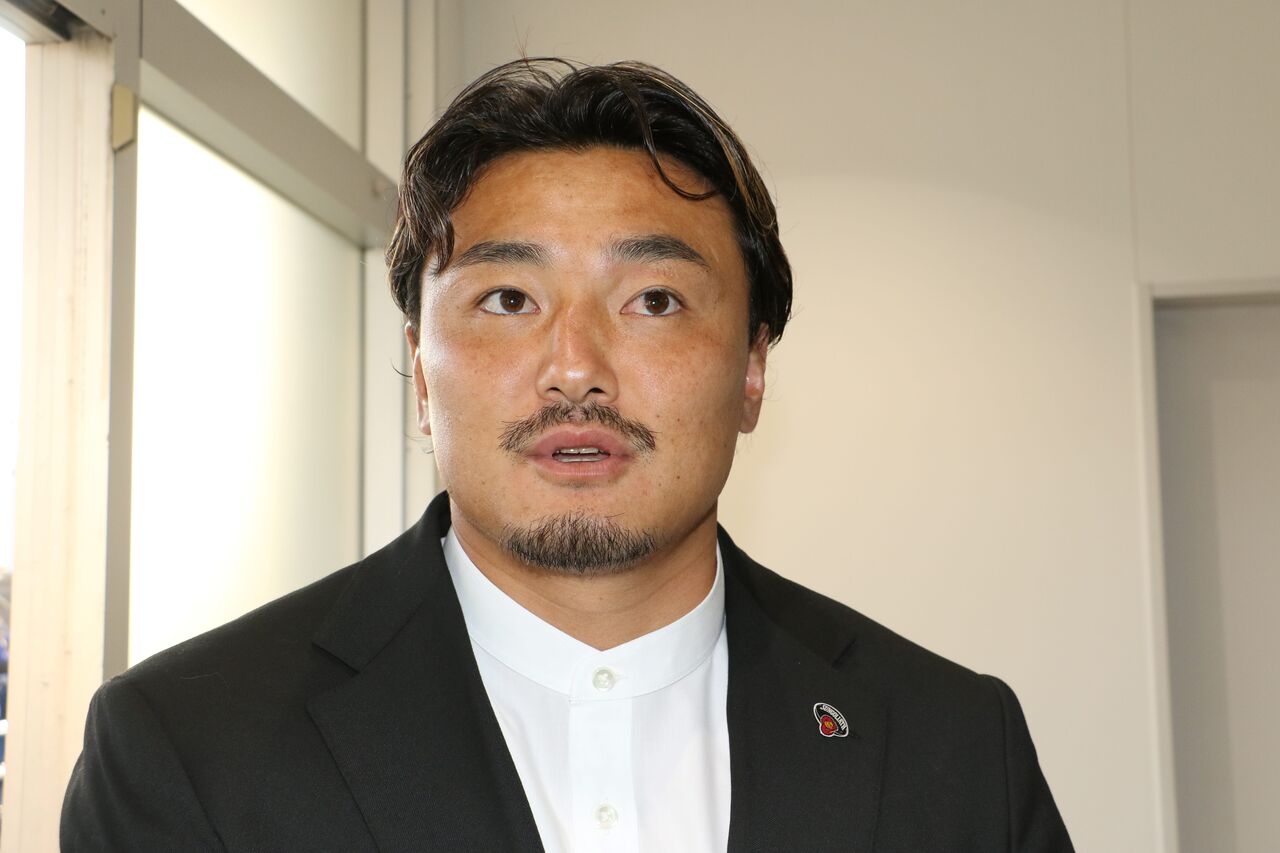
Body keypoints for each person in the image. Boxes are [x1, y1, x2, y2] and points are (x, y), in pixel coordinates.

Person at [61, 58, 1073, 852]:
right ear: (421, 372)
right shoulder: (187, 745)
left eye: (653, 300)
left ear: (752, 368)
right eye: (508, 299)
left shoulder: (951, 745)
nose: (575, 369)